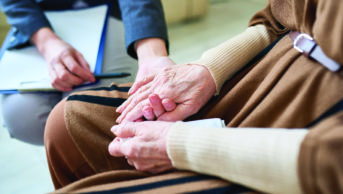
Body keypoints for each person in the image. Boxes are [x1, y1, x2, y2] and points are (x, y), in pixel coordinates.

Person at [45, 0, 343, 193]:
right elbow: (277, 17)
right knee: (67, 122)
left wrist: (182, 145)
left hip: (313, 149)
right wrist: (207, 69)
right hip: (267, 69)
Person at [0, 0, 174, 145]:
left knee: (89, 115)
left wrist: (152, 56)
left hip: (112, 7)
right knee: (23, 119)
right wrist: (46, 42)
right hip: (39, 15)